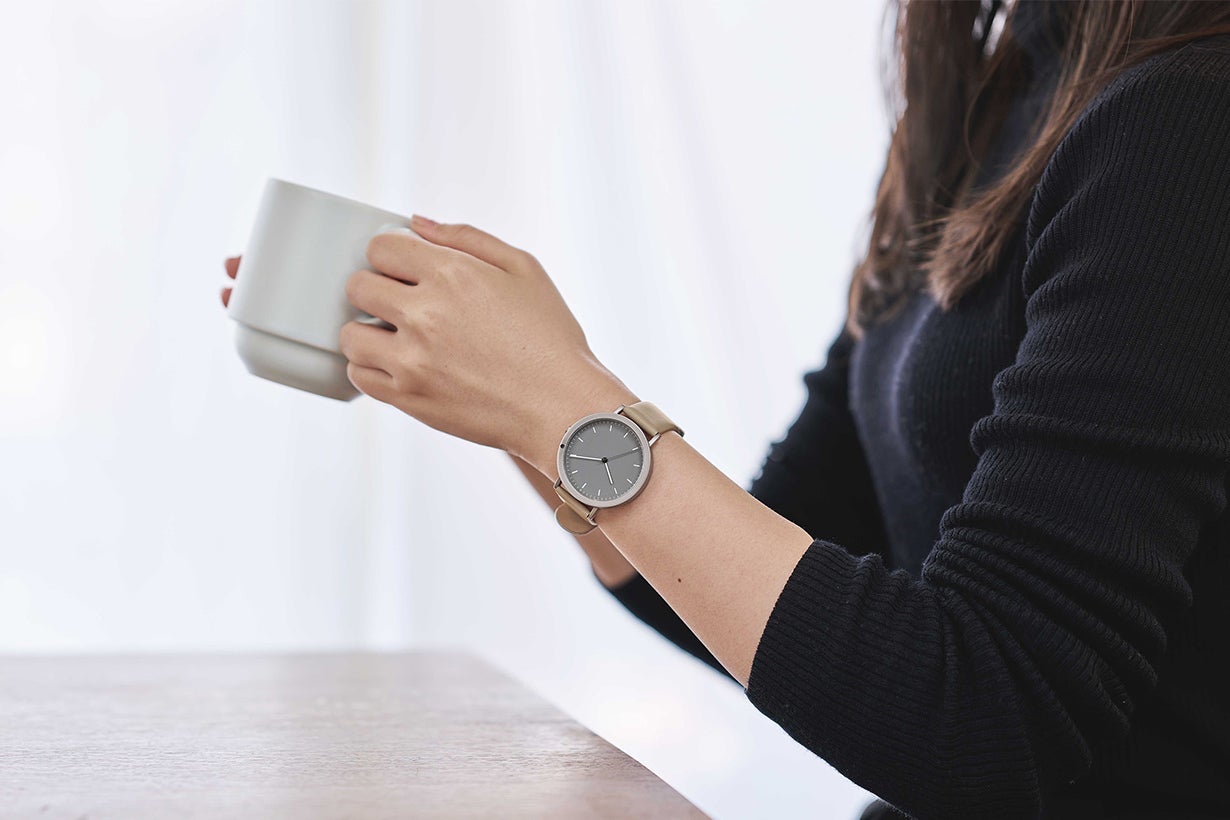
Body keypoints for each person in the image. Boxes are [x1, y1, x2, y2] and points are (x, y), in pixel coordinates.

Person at [222, 1, 1230, 816]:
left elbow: (989, 722)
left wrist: (555, 399)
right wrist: (503, 393)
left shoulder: (1185, 118)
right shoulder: (997, 93)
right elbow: (784, 562)